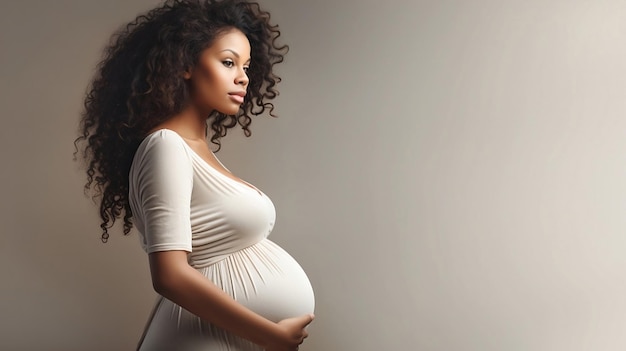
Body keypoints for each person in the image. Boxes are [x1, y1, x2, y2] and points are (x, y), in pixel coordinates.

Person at [74, 0, 315, 350]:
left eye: (246, 66)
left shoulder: (193, 149)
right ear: (186, 64)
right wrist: (270, 335)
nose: (243, 77)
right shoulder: (165, 146)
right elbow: (169, 276)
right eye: (229, 62)